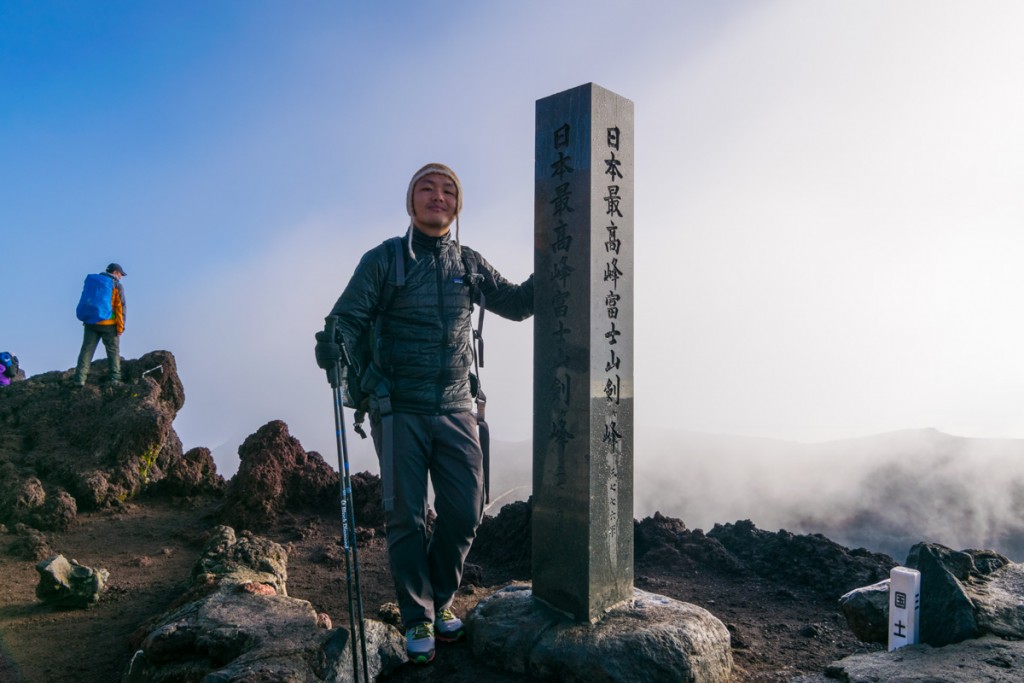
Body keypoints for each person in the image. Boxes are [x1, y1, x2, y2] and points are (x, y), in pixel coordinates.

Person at [315, 163, 534, 664]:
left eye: (448, 190)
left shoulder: (471, 263)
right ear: (411, 202)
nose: (439, 196)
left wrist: (562, 255)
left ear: (458, 205)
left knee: (465, 510)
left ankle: (438, 601)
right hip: (399, 408)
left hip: (458, 404)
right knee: (406, 516)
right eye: (427, 188)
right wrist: (332, 345)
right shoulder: (385, 260)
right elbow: (345, 319)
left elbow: (519, 303)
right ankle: (418, 615)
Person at [74, 263, 127, 386]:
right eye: (120, 274)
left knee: (86, 350)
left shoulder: (93, 281)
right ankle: (115, 378)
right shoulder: (116, 285)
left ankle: (79, 379)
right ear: (115, 272)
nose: (121, 277)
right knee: (113, 351)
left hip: (91, 322)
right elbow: (120, 308)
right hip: (109, 324)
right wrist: (120, 327)